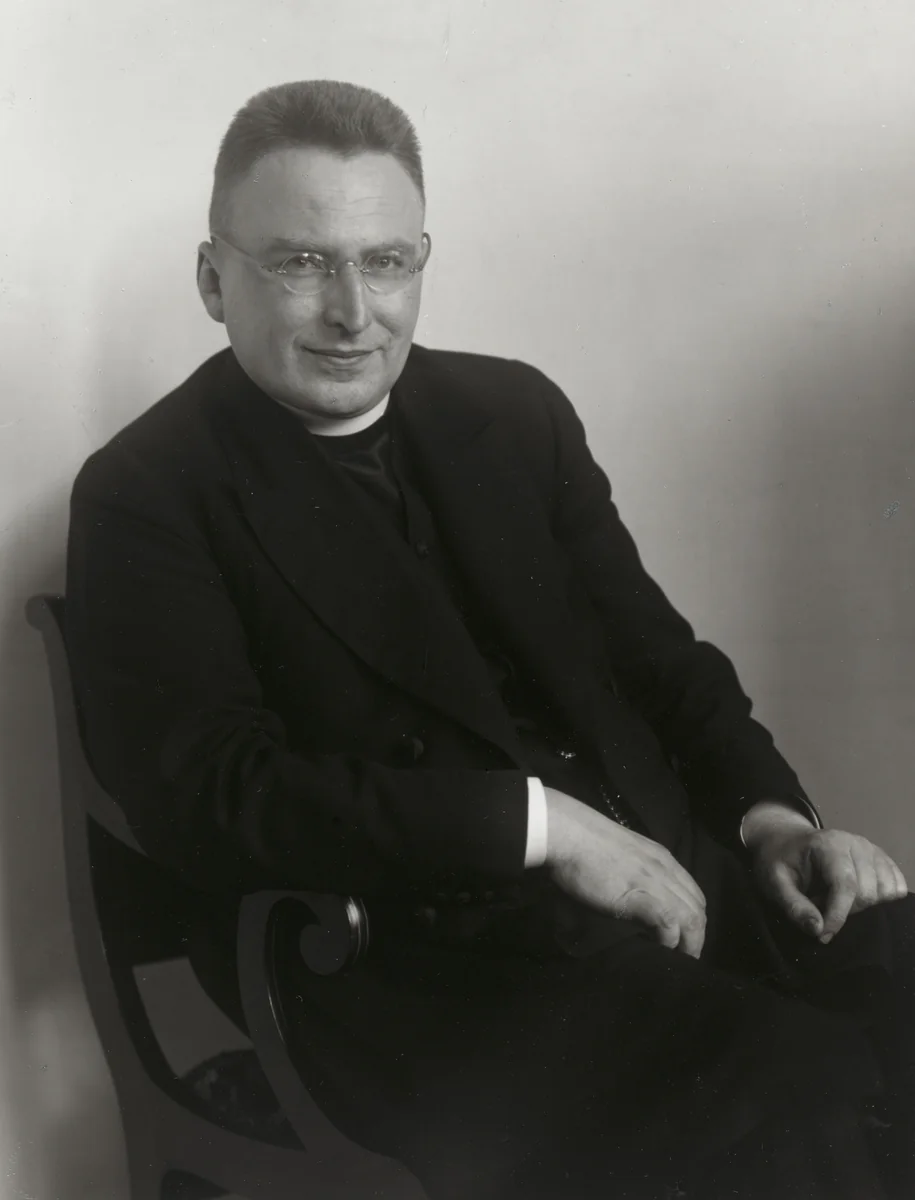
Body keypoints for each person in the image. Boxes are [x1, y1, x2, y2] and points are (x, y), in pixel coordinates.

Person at [65, 80, 915, 1199]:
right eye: (302, 262)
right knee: (791, 1089)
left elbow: (663, 663)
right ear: (214, 279)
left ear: (422, 261)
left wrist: (769, 820)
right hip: (410, 975)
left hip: (680, 883)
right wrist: (538, 827)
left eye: (385, 261)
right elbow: (215, 794)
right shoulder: (148, 490)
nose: (353, 312)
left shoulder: (515, 415)